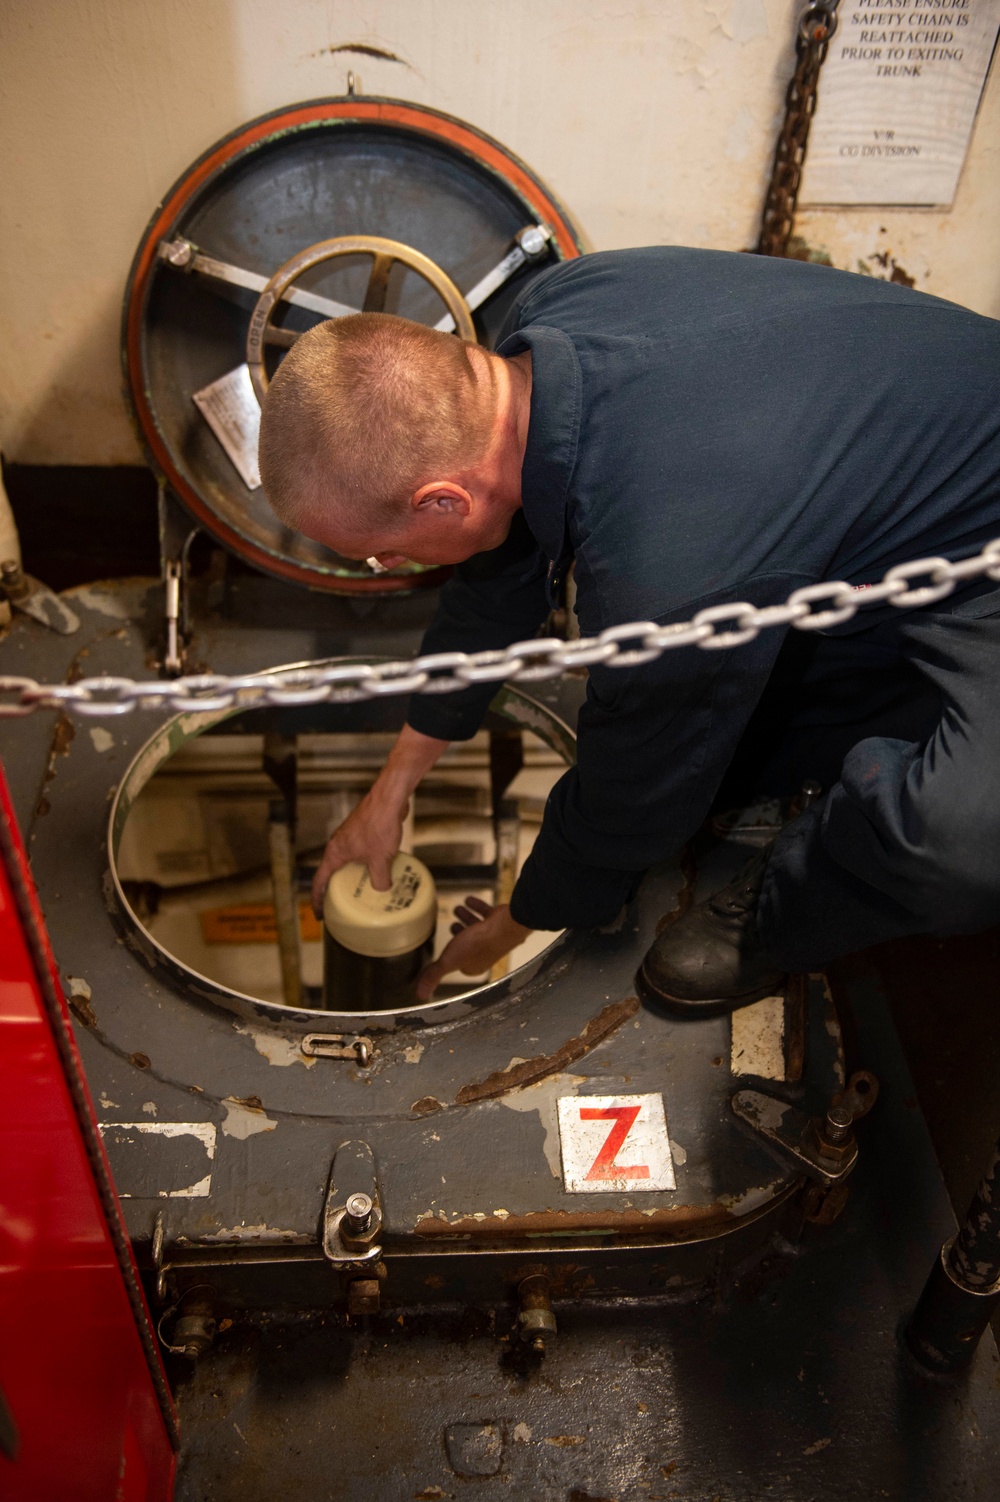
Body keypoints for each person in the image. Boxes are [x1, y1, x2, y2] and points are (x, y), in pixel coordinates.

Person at [257, 247, 1000, 1010]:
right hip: (905, 493)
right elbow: (496, 584)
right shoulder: (541, 326)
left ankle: (772, 920)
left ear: (444, 501)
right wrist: (392, 790)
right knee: (734, 747)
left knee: (957, 847)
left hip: (982, 546)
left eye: (380, 553)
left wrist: (521, 919)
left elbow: (636, 790)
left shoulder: (666, 562)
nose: (386, 562)